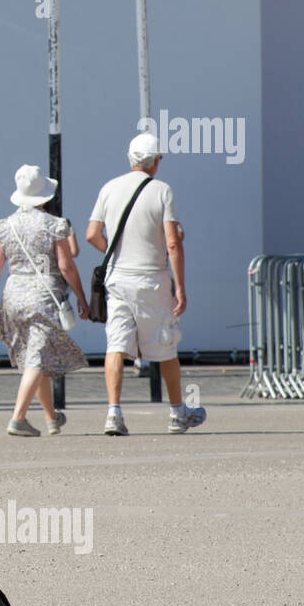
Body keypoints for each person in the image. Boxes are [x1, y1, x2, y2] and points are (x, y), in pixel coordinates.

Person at [86, 131, 206, 435]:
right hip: (151, 278)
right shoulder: (162, 191)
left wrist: (116, 255)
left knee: (116, 345)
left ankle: (113, 413)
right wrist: (180, 287)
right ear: (154, 162)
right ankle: (177, 412)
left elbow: (92, 234)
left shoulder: (109, 188)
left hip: (117, 278)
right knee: (166, 347)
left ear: (130, 159)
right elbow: (173, 244)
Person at [0, 164, 88, 436]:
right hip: (43, 296)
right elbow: (66, 266)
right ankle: (18, 418)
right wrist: (81, 296)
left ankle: (52, 417)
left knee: (34, 356)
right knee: (35, 358)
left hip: (13, 295)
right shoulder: (55, 225)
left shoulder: (4, 226)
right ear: (45, 195)